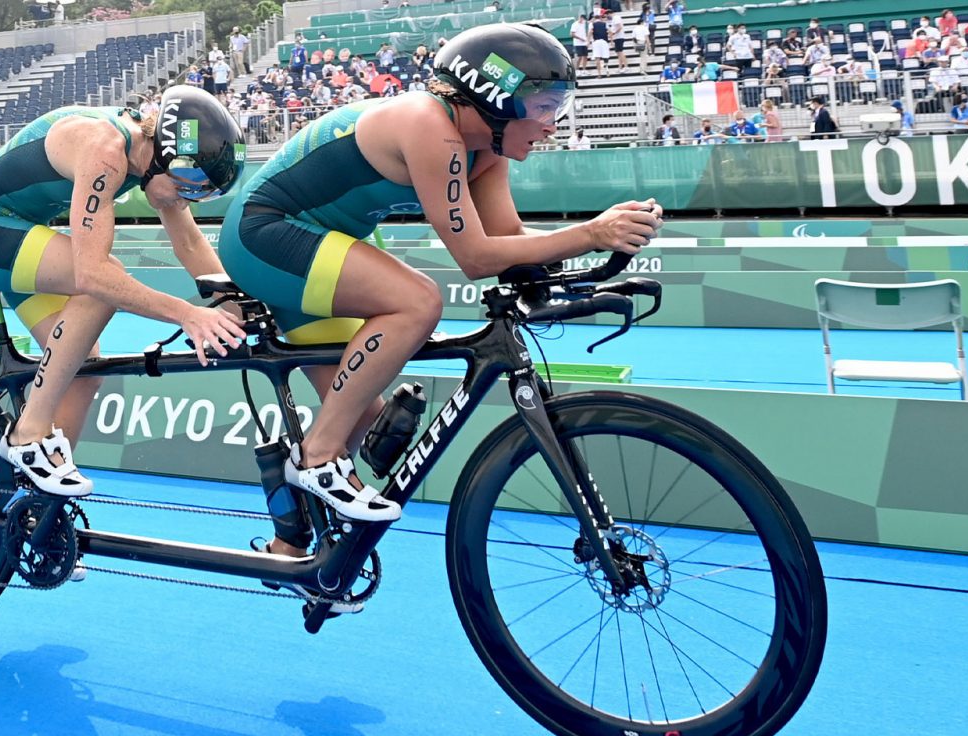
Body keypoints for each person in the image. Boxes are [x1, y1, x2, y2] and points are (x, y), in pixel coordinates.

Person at [217, 23, 661, 541]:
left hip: (321, 240)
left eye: (557, 107)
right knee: (418, 301)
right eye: (543, 107)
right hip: (265, 236)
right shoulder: (430, 125)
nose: (551, 125)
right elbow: (475, 257)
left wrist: (596, 253)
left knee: (366, 425)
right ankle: (314, 460)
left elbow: (508, 239)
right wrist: (590, 233)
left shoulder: (486, 147)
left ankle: (301, 556)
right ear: (496, 99)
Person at [0, 87, 250, 496]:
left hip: (21, 230)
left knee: (83, 368)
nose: (188, 196)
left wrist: (239, 304)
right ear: (163, 155)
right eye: (189, 183)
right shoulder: (106, 150)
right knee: (101, 286)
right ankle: (27, 435)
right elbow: (93, 276)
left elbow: (192, 245)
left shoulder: (156, 161)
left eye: (201, 190)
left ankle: (38, 507)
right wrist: (188, 314)